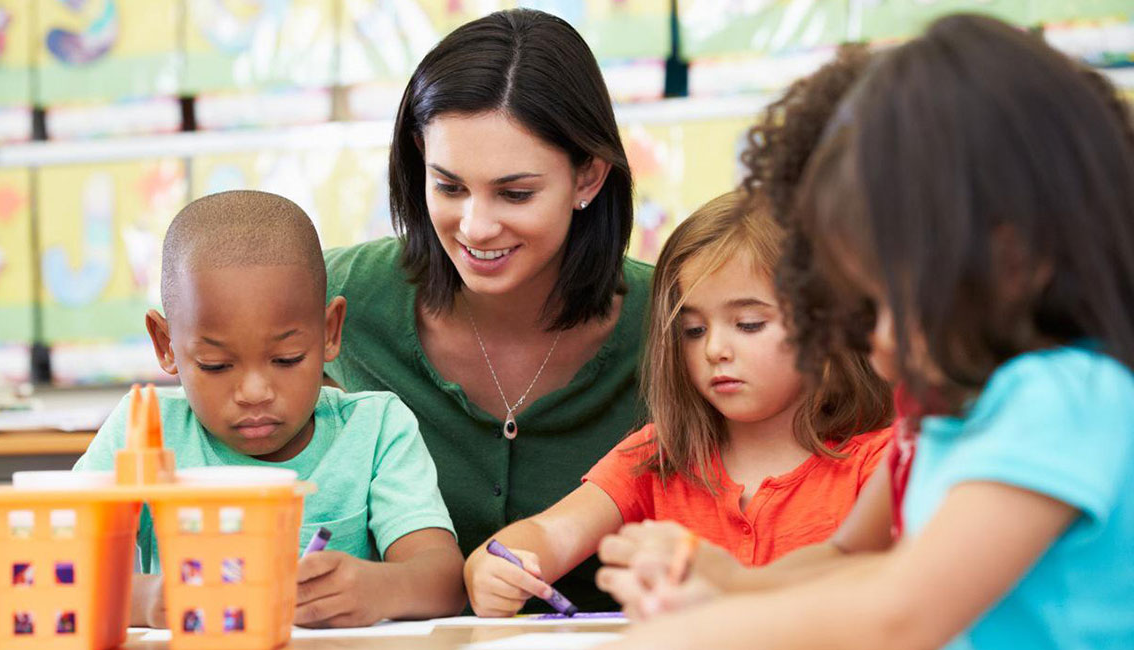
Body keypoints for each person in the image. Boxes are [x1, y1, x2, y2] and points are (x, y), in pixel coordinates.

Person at [597, 14, 1134, 649]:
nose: (876, 349)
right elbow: (853, 561)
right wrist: (724, 582)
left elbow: (901, 613)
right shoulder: (946, 414)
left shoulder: (1064, 398)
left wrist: (702, 633)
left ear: (1007, 260)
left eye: (885, 305)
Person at [323, 8, 652, 611]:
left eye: (515, 192)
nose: (475, 226)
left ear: (589, 177)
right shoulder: (338, 295)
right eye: (448, 186)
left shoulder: (678, 319)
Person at [464, 190, 893, 616]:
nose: (715, 350)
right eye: (692, 330)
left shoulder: (881, 463)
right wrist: (495, 567)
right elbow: (550, 534)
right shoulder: (658, 455)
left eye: (748, 324)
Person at [75, 190, 465, 628]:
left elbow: (446, 580)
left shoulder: (376, 429)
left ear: (329, 332)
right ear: (166, 345)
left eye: (287, 359)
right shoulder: (142, 432)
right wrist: (147, 600)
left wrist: (380, 589)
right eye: (216, 365)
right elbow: (58, 571)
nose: (255, 392)